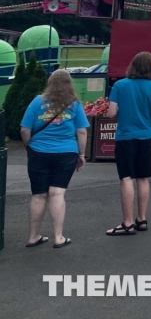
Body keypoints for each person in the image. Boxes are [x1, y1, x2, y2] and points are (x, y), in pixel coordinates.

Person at [19, 69, 88, 248]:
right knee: (57, 193)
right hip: (66, 152)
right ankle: (58, 237)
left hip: (39, 151)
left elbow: (25, 129)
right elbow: (81, 131)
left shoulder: (37, 101)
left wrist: (29, 146)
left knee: (39, 195)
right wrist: (81, 154)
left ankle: (33, 236)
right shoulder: (74, 104)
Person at [105, 52, 151, 236]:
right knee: (143, 178)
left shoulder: (120, 85)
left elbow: (111, 113)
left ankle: (127, 223)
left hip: (126, 136)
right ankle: (142, 219)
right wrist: (147, 110)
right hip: (147, 135)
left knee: (126, 178)